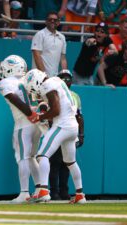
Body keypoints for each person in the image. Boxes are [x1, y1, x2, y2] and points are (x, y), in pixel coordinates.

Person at [24, 68, 86, 204]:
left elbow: (56, 110)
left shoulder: (48, 84)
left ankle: (44, 191)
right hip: (72, 126)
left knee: (42, 155)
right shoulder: (56, 81)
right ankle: (80, 194)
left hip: (62, 125)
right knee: (70, 162)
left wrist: (40, 117)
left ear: (36, 81)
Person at [0, 55, 43, 203]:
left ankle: (24, 193)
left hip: (24, 122)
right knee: (31, 157)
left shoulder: (6, 82)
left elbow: (12, 97)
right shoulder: (28, 78)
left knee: (22, 157)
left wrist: (30, 114)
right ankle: (40, 189)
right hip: (37, 123)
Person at [49, 69, 84, 201]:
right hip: (57, 130)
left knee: (67, 163)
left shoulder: (75, 96)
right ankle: (53, 192)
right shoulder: (53, 93)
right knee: (54, 163)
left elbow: (79, 116)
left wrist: (81, 134)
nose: (65, 81)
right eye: (62, 78)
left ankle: (64, 191)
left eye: (68, 78)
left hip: (70, 131)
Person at [31, 11, 67, 77]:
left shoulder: (62, 37)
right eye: (50, 19)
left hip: (54, 78)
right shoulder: (39, 34)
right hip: (39, 77)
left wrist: (65, 75)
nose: (52, 21)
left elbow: (63, 58)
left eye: (55, 20)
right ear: (46, 21)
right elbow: (36, 55)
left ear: (58, 22)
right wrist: (44, 75)